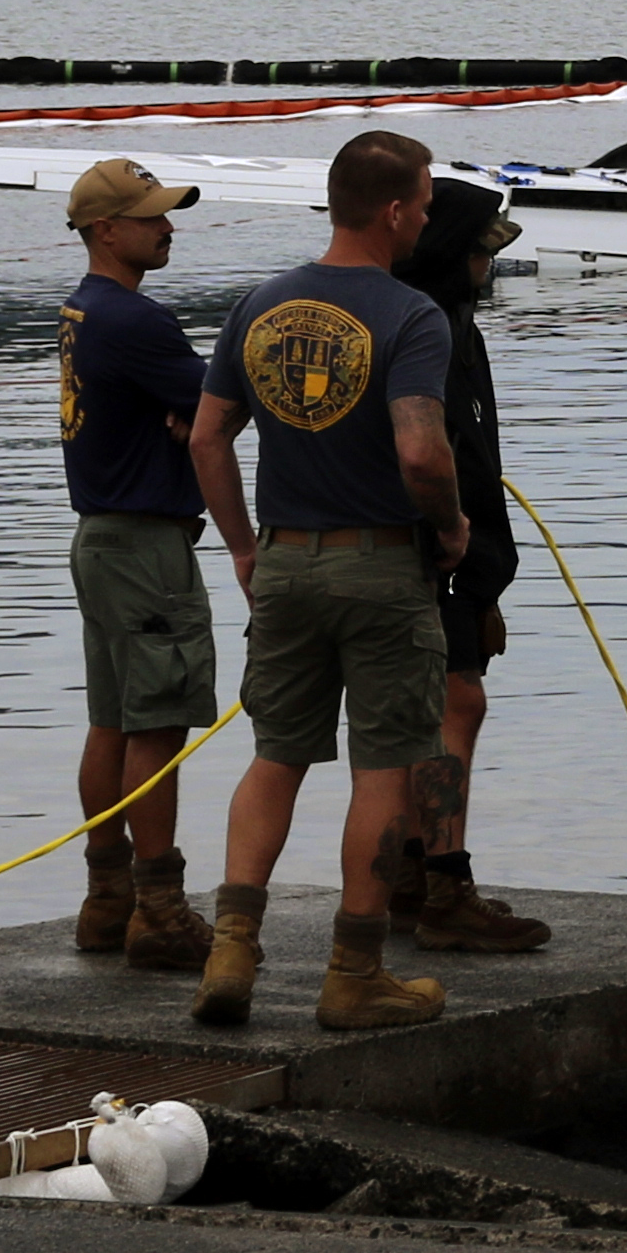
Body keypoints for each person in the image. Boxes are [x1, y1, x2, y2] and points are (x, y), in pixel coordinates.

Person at [184, 129, 476, 1032]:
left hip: (286, 560)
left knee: (276, 757)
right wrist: (454, 525)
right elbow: (422, 452)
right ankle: (354, 975)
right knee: (385, 765)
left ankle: (232, 949)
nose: (427, 220)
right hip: (381, 567)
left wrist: (241, 549)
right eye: (424, 205)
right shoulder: (412, 315)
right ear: (393, 211)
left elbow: (205, 438)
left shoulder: (259, 305)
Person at [54, 158, 219, 976]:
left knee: (113, 717)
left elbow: (190, 405)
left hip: (99, 537)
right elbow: (224, 403)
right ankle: (158, 908)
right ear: (106, 231)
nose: (168, 226)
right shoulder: (136, 321)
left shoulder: (83, 313)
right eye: (152, 216)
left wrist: (184, 410)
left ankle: (105, 897)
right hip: (149, 543)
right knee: (156, 719)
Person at [394, 173, 551, 954]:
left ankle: (404, 869)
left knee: (411, 712)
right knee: (458, 705)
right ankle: (443, 881)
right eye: (481, 255)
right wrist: (472, 569)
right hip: (434, 551)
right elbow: (449, 458)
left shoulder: (428, 322)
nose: (489, 270)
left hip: (410, 554)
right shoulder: (438, 331)